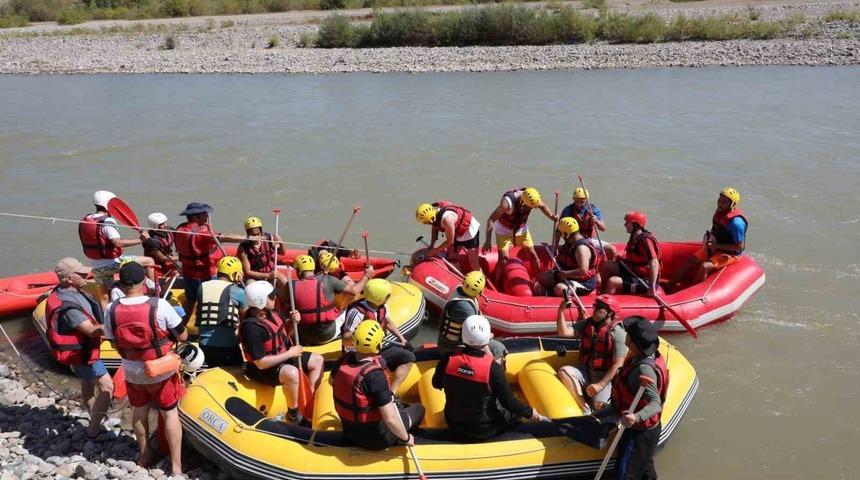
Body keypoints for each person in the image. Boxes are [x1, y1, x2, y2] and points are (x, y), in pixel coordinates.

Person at [102, 261, 186, 474]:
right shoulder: (159, 305)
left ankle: (145, 454)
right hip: (161, 369)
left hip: (132, 370)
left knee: (139, 411)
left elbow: (113, 342)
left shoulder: (111, 309)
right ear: (143, 282)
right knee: (169, 413)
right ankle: (176, 466)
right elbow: (183, 335)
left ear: (121, 284)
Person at [432, 315, 545, 442]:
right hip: (484, 430)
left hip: (454, 424)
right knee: (514, 415)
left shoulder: (448, 359)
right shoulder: (493, 369)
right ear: (487, 339)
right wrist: (530, 412)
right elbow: (509, 402)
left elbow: (436, 384)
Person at [44, 257, 114, 438]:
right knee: (107, 386)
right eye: (81, 274)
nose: (87, 275)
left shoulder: (68, 292)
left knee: (87, 382)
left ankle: (95, 416)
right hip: (83, 353)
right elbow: (91, 330)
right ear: (69, 279)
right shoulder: (70, 309)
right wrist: (119, 326)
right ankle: (94, 430)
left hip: (82, 353)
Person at [332, 320, 425, 450]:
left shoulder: (343, 360)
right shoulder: (376, 376)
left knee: (392, 408)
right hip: (377, 439)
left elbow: (332, 382)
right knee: (419, 410)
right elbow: (390, 420)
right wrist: (406, 438)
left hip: (349, 431)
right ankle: (401, 440)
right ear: (378, 345)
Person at [240, 281, 324, 425]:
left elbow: (285, 334)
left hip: (282, 357)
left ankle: (306, 400)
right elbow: (260, 363)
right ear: (260, 300)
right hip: (263, 370)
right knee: (292, 373)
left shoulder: (271, 314)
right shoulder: (251, 328)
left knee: (318, 360)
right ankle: (293, 414)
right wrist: (290, 354)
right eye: (271, 296)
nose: (275, 298)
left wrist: (293, 323)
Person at [611, 316, 669, 480]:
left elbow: (655, 403)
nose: (625, 336)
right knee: (645, 471)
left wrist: (635, 417)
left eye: (628, 334)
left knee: (625, 474)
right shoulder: (646, 356)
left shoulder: (643, 370)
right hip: (650, 430)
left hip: (639, 432)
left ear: (634, 343)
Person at [341, 279, 415, 399]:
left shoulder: (382, 307)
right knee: (381, 364)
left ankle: (392, 395)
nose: (389, 296)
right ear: (380, 297)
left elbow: (388, 322)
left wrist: (402, 339)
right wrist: (363, 336)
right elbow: (345, 339)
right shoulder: (357, 312)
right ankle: (379, 397)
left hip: (377, 350)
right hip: (359, 354)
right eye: (387, 295)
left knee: (409, 357)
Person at [79, 190, 154, 307]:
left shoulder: (86, 219)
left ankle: (106, 319)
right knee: (149, 261)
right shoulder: (108, 221)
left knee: (104, 297)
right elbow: (117, 243)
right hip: (115, 264)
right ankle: (153, 293)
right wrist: (141, 240)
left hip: (96, 267)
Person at [555, 294, 626, 413]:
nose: (595, 309)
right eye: (595, 306)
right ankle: (585, 408)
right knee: (564, 371)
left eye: (599, 307)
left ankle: (596, 408)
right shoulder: (588, 323)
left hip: (603, 376)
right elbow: (564, 333)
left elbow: (618, 365)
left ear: (610, 313)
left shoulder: (618, 333)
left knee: (601, 407)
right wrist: (561, 311)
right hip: (584, 369)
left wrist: (600, 385)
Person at [667, 187, 748, 289]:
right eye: (719, 200)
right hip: (715, 247)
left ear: (732, 204)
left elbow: (739, 247)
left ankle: (692, 293)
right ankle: (669, 286)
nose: (720, 204)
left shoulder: (736, 224)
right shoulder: (720, 212)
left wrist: (716, 245)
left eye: (724, 202)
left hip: (730, 254)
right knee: (690, 261)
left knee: (705, 266)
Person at [174, 202, 241, 316]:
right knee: (208, 302)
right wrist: (249, 238)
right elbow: (225, 237)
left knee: (190, 300)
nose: (207, 216)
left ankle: (181, 325)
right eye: (204, 214)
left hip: (187, 272)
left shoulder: (180, 228)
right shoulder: (202, 233)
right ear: (196, 217)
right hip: (205, 274)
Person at [291, 255, 372, 346]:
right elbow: (354, 291)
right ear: (313, 269)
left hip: (303, 336)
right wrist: (367, 275)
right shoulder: (328, 280)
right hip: (328, 335)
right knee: (350, 306)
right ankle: (347, 333)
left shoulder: (292, 287)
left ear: (298, 271)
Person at [482, 187, 557, 279]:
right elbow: (491, 219)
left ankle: (537, 280)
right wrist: (487, 241)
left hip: (521, 229)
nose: (532, 209)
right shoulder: (507, 203)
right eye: (530, 207)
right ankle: (496, 280)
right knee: (503, 260)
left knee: (533, 256)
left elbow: (542, 206)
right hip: (503, 230)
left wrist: (551, 216)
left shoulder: (533, 199)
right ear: (522, 202)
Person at [437, 271, 507, 359]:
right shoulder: (465, 308)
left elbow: (478, 315)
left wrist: (487, 334)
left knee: (491, 340)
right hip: (452, 348)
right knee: (498, 348)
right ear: (480, 291)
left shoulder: (462, 290)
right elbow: (477, 339)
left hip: (457, 342)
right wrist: (490, 360)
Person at [196, 256, 248, 367]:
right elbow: (245, 319)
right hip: (227, 346)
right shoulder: (238, 292)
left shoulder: (202, 287)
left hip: (203, 345)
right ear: (235, 274)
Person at [601, 211, 660, 296]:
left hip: (644, 281)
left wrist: (652, 287)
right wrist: (624, 260)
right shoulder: (635, 237)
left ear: (635, 225)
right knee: (607, 265)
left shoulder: (645, 241)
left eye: (627, 222)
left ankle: (604, 304)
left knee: (613, 281)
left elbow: (654, 263)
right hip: (634, 272)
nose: (625, 225)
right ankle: (603, 293)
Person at [537, 217, 600, 296]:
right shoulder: (571, 241)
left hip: (583, 282)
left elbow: (583, 271)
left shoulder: (581, 249)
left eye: (561, 233)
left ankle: (550, 293)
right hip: (568, 276)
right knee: (542, 277)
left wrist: (566, 274)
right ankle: (549, 292)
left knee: (560, 289)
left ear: (566, 234)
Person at [416, 201, 482, 273]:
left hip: (470, 233)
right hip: (456, 232)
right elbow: (434, 228)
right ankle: (457, 276)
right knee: (451, 257)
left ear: (431, 218)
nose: (426, 224)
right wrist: (432, 245)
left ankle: (481, 277)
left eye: (426, 223)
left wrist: (435, 251)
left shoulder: (447, 219)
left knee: (474, 263)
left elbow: (450, 241)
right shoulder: (434, 215)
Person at [558, 187, 617, 260]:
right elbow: (559, 230)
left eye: (582, 202)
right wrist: (555, 247)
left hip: (589, 240)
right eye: (576, 201)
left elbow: (603, 228)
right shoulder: (568, 210)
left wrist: (596, 221)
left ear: (586, 200)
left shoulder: (594, 210)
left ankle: (610, 268)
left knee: (612, 250)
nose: (579, 204)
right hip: (573, 241)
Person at [236, 216, 288, 285]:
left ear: (261, 231)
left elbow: (282, 253)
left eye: (258, 234)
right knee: (250, 285)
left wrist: (281, 242)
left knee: (284, 281)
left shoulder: (269, 238)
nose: (257, 237)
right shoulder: (243, 247)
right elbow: (247, 272)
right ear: (248, 234)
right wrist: (268, 275)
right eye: (253, 235)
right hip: (254, 277)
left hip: (271, 272)